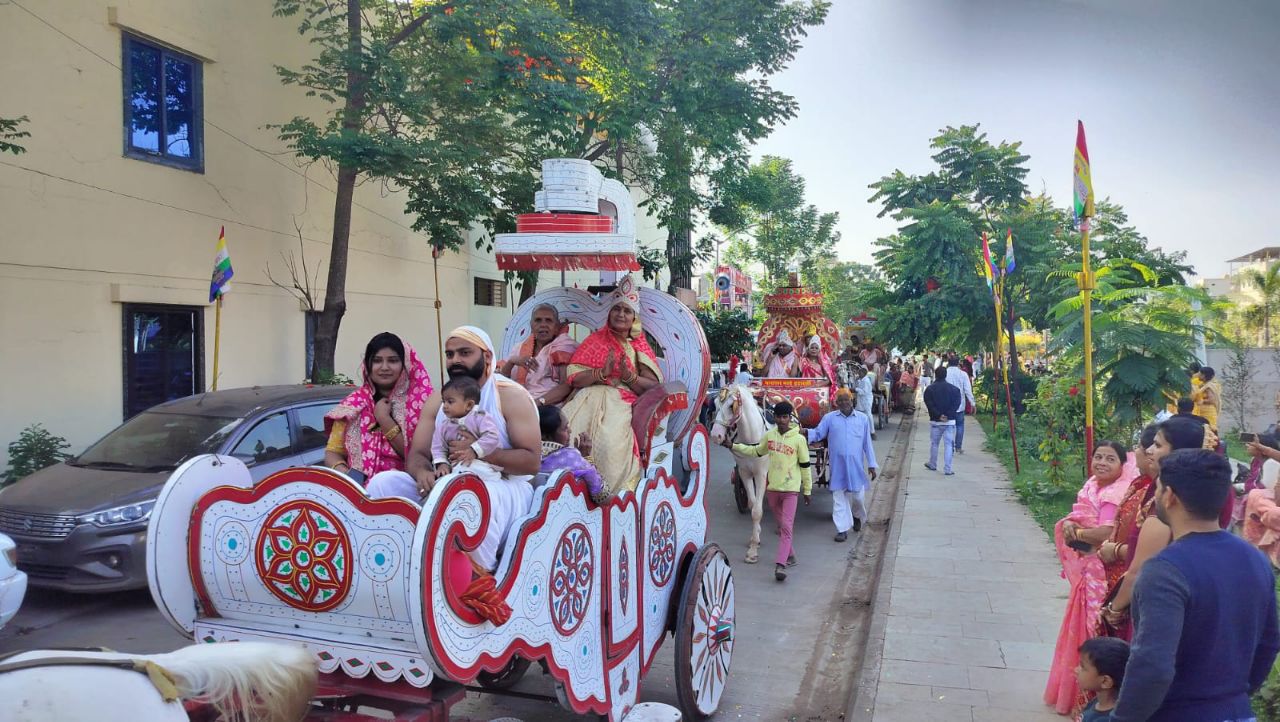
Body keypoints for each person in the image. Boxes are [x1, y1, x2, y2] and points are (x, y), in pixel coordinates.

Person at [1110, 449, 1280, 722]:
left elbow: (1153, 664)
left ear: (1170, 496)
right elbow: (1270, 642)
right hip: (1237, 712)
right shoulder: (1254, 559)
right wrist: (1235, 696)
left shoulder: (1164, 570)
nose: (1156, 495)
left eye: (1158, 488)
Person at [369, 326, 540, 573]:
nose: (455, 360)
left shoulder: (511, 396)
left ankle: (476, 580)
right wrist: (423, 474)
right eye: (450, 355)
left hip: (504, 486)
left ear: (487, 357)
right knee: (383, 483)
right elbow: (417, 454)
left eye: (464, 353)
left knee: (470, 496)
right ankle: (387, 564)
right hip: (449, 480)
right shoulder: (439, 400)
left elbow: (532, 462)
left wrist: (481, 451)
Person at [1098, 417, 1217, 652]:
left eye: (1159, 445)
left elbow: (1142, 564)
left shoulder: (1169, 498)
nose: (1149, 451)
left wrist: (1115, 608)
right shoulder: (1203, 489)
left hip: (1155, 599)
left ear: (1179, 453)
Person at [1044, 441, 1139, 716]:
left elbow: (1106, 533)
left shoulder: (1114, 493)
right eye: (1098, 457)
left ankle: (1086, 701)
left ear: (1122, 466)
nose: (1102, 463)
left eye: (1110, 459)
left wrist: (1078, 533)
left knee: (1092, 628)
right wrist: (1073, 525)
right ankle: (1078, 696)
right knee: (1081, 625)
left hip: (1102, 573)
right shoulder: (1092, 486)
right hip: (1089, 568)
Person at [562, 274, 662, 495]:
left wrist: (630, 378)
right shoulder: (596, 340)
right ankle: (569, 493)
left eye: (627, 311)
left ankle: (607, 494)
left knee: (607, 447)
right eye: (617, 309)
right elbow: (574, 376)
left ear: (634, 318)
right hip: (587, 398)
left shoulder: (638, 346)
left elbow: (653, 387)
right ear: (609, 313)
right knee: (567, 435)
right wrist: (600, 373)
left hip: (620, 402)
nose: (621, 314)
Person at [324, 332, 434, 485]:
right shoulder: (354, 404)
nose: (384, 367)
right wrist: (347, 474)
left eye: (393, 361)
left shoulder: (423, 403)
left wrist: (384, 420)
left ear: (406, 364)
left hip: (407, 493)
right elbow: (333, 451)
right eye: (377, 361)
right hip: (357, 494)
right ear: (367, 364)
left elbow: (418, 457)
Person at [731, 401, 811, 582]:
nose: (782, 420)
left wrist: (807, 490)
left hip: (791, 490)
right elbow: (756, 451)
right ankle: (790, 555)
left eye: (785, 417)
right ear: (774, 418)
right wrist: (734, 446)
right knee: (782, 525)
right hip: (773, 490)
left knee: (787, 527)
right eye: (779, 417)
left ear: (790, 418)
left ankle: (780, 564)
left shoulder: (799, 439)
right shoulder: (770, 436)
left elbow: (806, 466)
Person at [1096, 424, 1160, 641]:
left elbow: (1151, 552)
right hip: (1118, 578)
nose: (1148, 452)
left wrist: (1116, 550)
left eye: (1157, 446)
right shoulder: (1141, 484)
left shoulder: (1164, 496)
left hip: (1133, 584)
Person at [808, 388, 877, 542]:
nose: (844, 402)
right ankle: (842, 529)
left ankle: (857, 515)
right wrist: (804, 433)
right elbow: (818, 434)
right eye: (841, 400)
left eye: (847, 399)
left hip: (856, 467)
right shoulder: (829, 418)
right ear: (836, 403)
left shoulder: (862, 419)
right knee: (839, 497)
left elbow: (867, 444)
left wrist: (872, 464)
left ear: (852, 400)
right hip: (837, 466)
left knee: (858, 498)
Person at [500, 303, 578, 407]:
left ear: (556, 327)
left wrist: (537, 403)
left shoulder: (564, 346)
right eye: (538, 320)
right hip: (519, 401)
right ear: (531, 326)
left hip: (548, 406)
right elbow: (502, 381)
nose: (543, 325)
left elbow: (566, 385)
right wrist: (513, 361)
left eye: (548, 320)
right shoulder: (519, 348)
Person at [431, 376, 502, 483]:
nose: (444, 406)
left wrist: (474, 450)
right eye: (443, 401)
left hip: (481, 464)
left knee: (477, 473)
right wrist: (442, 465)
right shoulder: (444, 426)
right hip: (456, 467)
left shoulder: (481, 418)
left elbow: (492, 436)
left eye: (450, 402)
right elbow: (438, 448)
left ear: (469, 405)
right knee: (445, 480)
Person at [538, 405, 605, 504]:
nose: (570, 431)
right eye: (565, 428)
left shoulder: (526, 455)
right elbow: (601, 495)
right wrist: (586, 457)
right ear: (546, 436)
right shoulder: (571, 457)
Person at [1076, 637, 1130, 722]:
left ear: (1105, 681)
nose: (1076, 670)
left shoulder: (1105, 719)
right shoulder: (1097, 701)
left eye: (1083, 667)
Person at [922, 366, 960, 476]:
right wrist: (948, 415)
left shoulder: (929, 389)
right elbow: (956, 404)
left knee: (934, 443)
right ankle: (948, 469)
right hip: (949, 422)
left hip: (935, 421)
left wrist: (939, 415)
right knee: (948, 445)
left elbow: (929, 404)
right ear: (946, 375)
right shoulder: (954, 390)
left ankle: (933, 464)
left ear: (935, 374)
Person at [945, 356, 976, 454]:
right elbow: (967, 390)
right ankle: (958, 447)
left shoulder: (944, 373)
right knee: (960, 426)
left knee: (948, 426)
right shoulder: (963, 374)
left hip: (947, 405)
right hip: (960, 404)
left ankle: (950, 447)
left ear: (948, 363)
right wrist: (972, 403)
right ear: (958, 363)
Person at [1191, 365, 1221, 431]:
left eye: (1200, 374)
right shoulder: (1203, 384)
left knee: (1209, 431)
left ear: (1204, 376)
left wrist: (1200, 401)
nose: (1198, 375)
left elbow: (1212, 400)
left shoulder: (1209, 386)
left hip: (1207, 412)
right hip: (1201, 411)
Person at [854, 364, 875, 439]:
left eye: (859, 373)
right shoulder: (861, 380)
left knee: (868, 415)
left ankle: (872, 432)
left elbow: (864, 392)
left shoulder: (866, 381)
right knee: (857, 413)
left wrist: (855, 389)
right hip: (861, 400)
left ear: (863, 373)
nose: (858, 374)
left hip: (866, 399)